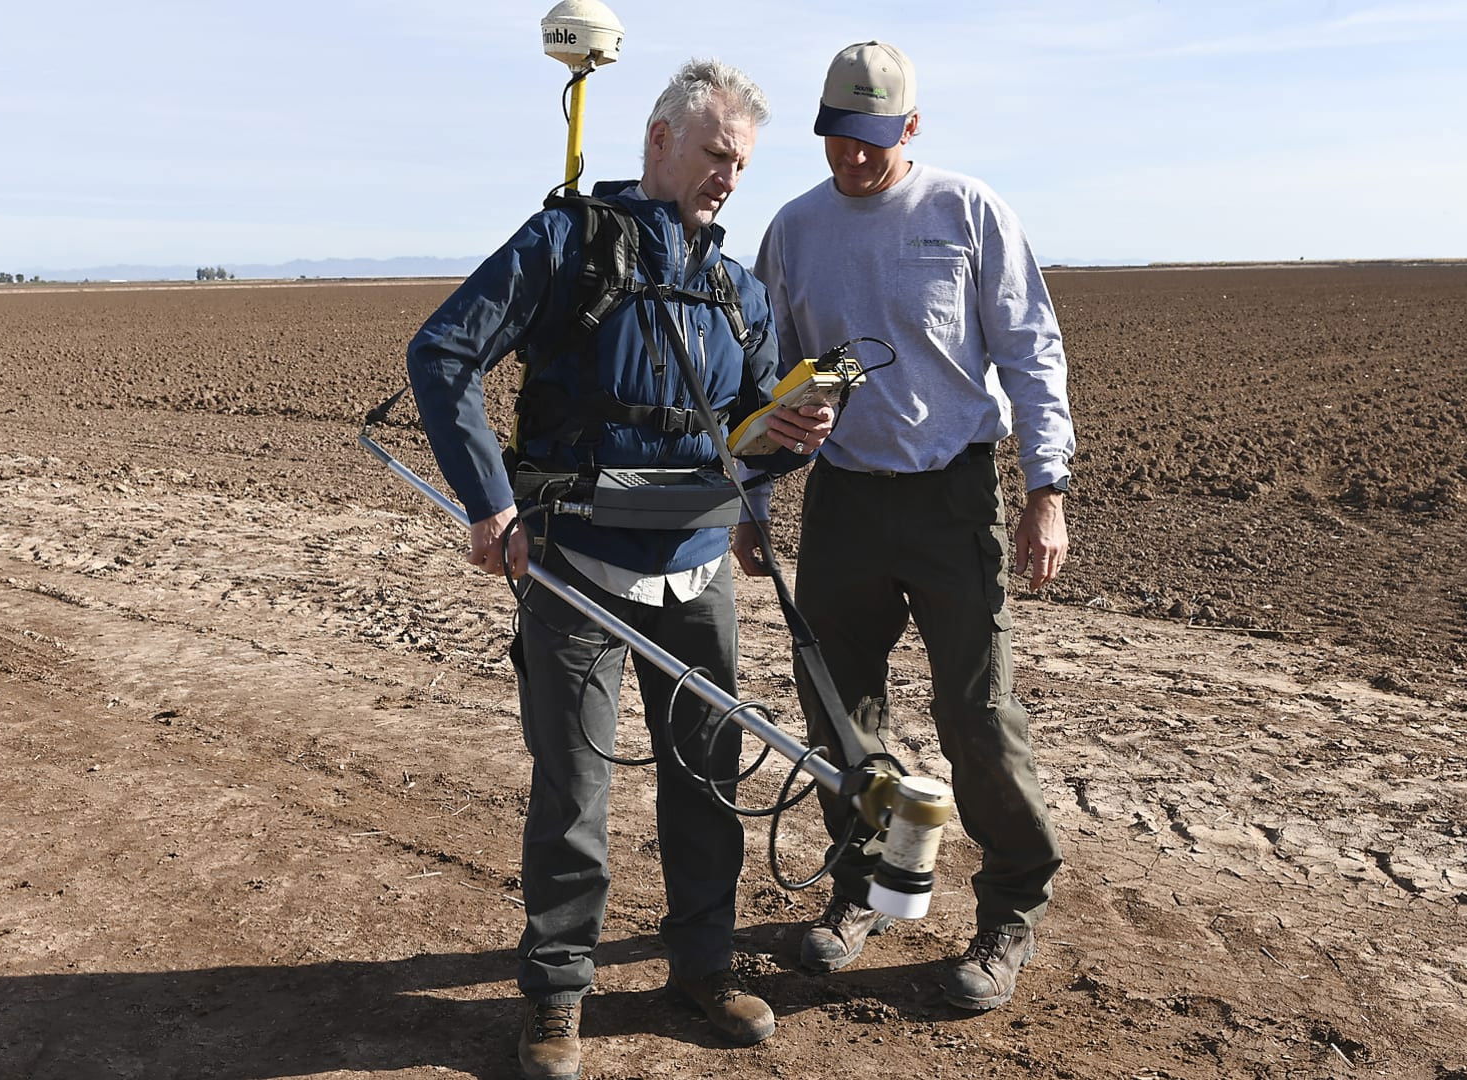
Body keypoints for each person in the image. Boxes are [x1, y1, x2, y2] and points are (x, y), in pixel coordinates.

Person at [406, 59, 832, 1080]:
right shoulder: (566, 244)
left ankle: (703, 969)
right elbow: (443, 353)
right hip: (579, 571)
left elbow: (747, 431)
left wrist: (792, 436)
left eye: (743, 164)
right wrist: (490, 501)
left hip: (698, 571)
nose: (730, 177)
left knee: (709, 782)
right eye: (717, 154)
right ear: (659, 141)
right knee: (573, 792)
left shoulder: (736, 289)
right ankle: (556, 995)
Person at [736, 40, 1075, 1012]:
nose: (851, 156)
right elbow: (768, 377)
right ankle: (864, 889)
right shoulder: (795, 229)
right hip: (844, 498)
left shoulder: (966, 211)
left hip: (951, 497)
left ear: (911, 128)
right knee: (839, 708)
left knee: (977, 715)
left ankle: (1009, 912)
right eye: (836, 135)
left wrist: (1046, 488)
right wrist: (755, 499)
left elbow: (1031, 348)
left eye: (871, 138)